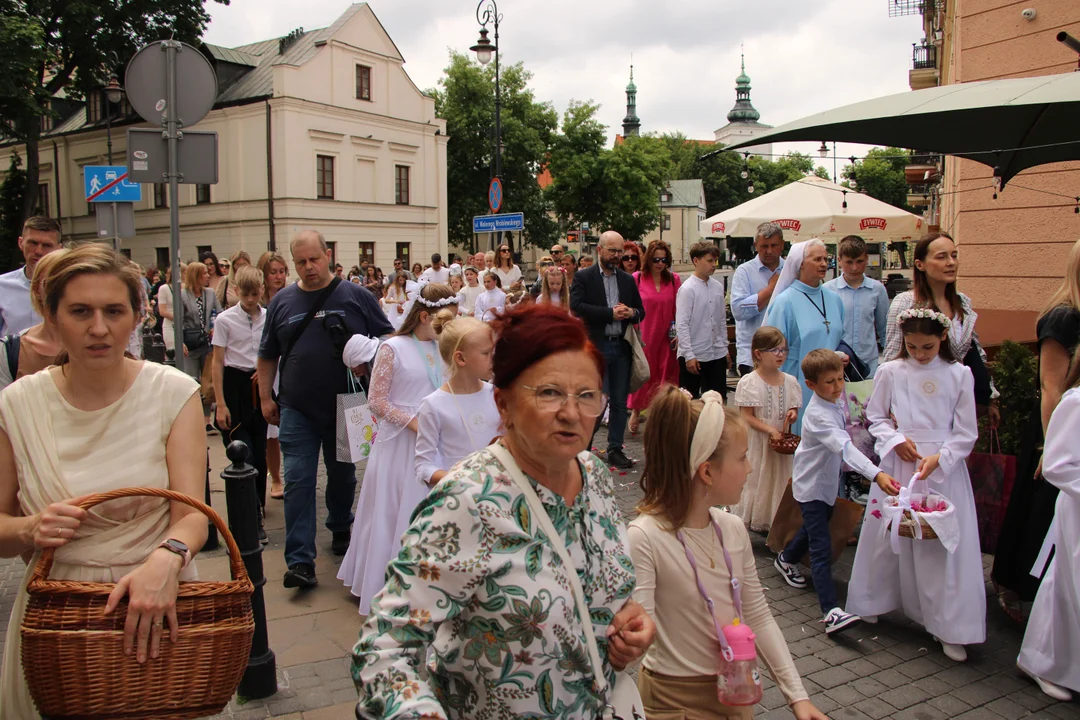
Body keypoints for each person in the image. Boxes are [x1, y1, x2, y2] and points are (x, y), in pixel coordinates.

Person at [352, 303, 656, 719]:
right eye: (549, 392)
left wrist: (627, 620)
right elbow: (384, 648)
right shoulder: (468, 500)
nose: (571, 413)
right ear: (504, 403)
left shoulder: (595, 477)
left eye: (587, 396)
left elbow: (596, 588)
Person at [0, 244, 208, 719]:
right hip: (58, 614)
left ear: (137, 317)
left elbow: (192, 515)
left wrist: (169, 557)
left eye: (114, 311)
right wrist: (29, 530)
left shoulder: (171, 392)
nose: (99, 328)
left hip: (157, 603)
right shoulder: (17, 405)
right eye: (80, 311)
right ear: (51, 318)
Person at [631, 386, 827, 720]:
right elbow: (640, 630)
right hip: (672, 700)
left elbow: (758, 615)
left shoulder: (732, 529)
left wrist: (798, 696)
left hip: (736, 690)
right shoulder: (645, 536)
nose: (749, 468)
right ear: (707, 471)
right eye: (742, 457)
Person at [257, 230, 393, 590]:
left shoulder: (357, 296)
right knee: (299, 479)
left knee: (343, 475)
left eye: (314, 259)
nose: (308, 267)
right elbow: (267, 353)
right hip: (296, 407)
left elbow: (390, 343)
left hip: (348, 404)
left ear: (327, 254)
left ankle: (339, 526)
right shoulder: (282, 302)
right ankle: (300, 560)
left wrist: (370, 363)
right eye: (300, 262)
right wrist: (265, 398)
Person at [846, 308, 983, 662]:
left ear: (942, 341)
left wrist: (944, 457)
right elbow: (874, 417)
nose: (920, 354)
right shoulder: (891, 371)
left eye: (928, 347)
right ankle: (874, 597)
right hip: (901, 462)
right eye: (912, 347)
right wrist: (893, 441)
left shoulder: (959, 374)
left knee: (939, 543)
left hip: (941, 466)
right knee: (886, 534)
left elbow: (967, 430)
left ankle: (947, 623)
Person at [339, 283, 458, 614]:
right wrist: (416, 424)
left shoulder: (447, 348)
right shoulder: (393, 348)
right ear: (424, 317)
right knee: (396, 511)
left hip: (439, 444)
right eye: (446, 322)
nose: (451, 330)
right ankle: (385, 581)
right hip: (401, 444)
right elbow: (377, 401)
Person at [773, 349, 896, 635]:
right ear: (811, 385)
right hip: (812, 485)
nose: (838, 386)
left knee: (816, 525)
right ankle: (830, 611)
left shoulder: (834, 401)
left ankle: (786, 558)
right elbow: (844, 447)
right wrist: (875, 474)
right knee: (820, 544)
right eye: (830, 381)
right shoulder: (818, 415)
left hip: (825, 483)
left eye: (840, 379)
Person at [993, 238, 1080, 621]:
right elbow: (1051, 387)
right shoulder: (1063, 317)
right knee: (1039, 510)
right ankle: (1018, 587)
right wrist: (1052, 445)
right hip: (1058, 431)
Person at [883, 232, 998, 425]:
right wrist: (890, 408)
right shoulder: (906, 302)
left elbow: (976, 351)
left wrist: (990, 395)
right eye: (941, 257)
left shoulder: (962, 302)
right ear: (920, 264)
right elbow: (893, 357)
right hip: (919, 401)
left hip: (959, 401)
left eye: (954, 255)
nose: (951, 262)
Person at [1017, 355, 1080, 702]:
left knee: (1063, 584)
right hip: (1077, 507)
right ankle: (1044, 661)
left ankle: (1049, 659)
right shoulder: (1075, 402)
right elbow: (1057, 464)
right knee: (1069, 585)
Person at [570, 230, 645, 471]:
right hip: (597, 346)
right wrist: (609, 313)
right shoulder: (584, 277)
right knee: (595, 399)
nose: (617, 255)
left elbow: (640, 310)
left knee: (620, 402)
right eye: (612, 251)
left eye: (620, 251)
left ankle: (615, 448)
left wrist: (630, 313)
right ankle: (584, 449)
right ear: (599, 250)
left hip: (621, 345)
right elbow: (577, 307)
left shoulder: (627, 279)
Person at [211, 266, 269, 544]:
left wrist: (267, 372)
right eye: (244, 294)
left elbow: (274, 352)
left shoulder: (268, 317)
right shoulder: (224, 320)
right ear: (235, 290)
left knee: (259, 455)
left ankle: (258, 505)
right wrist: (220, 403)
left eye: (254, 293)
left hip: (259, 386)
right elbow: (217, 362)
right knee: (240, 452)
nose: (249, 299)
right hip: (234, 386)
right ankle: (250, 512)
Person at [763, 238, 845, 435]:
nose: (824, 264)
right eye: (817, 259)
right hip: (798, 387)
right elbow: (772, 354)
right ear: (800, 263)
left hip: (832, 386)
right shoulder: (785, 302)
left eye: (826, 259)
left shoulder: (834, 299)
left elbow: (839, 337)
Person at [414, 312, 499, 487]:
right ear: (460, 358)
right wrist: (459, 479)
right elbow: (423, 465)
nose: (495, 358)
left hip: (499, 493)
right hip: (460, 497)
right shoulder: (434, 404)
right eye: (486, 353)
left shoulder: (496, 394)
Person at [732, 327, 802, 532]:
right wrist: (769, 430)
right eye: (775, 350)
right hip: (758, 443)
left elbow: (793, 409)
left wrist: (792, 414)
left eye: (783, 350)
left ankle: (776, 522)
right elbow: (747, 416)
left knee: (780, 481)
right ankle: (751, 519)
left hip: (780, 445)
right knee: (757, 480)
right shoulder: (749, 382)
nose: (781, 355)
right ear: (758, 354)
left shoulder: (790, 381)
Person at [628, 239, 681, 436]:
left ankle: (660, 416)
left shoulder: (674, 279)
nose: (660, 263)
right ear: (648, 259)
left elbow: (678, 309)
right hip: (645, 335)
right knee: (644, 374)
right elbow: (632, 306)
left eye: (664, 259)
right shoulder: (637, 278)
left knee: (665, 375)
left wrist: (679, 333)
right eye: (656, 259)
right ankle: (635, 412)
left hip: (668, 336)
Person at [0, 249, 67, 391]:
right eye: (51, 281)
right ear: (37, 289)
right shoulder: (11, 350)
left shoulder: (98, 343)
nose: (59, 289)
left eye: (67, 281)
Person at [824, 235, 890, 377]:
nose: (855, 267)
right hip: (837, 361)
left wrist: (889, 360)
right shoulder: (827, 290)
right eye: (849, 262)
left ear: (866, 259)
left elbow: (884, 329)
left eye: (859, 261)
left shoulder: (877, 290)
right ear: (840, 261)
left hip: (869, 363)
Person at [676, 241, 730, 401]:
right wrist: (689, 355)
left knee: (717, 400)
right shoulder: (687, 289)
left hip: (716, 352)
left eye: (715, 261)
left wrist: (725, 348)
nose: (713, 265)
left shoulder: (717, 287)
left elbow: (720, 320)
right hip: (695, 353)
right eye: (709, 260)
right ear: (696, 261)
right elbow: (682, 324)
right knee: (690, 401)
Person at [730, 223, 785, 377]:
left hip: (783, 355)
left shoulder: (790, 270)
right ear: (756, 245)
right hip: (753, 357)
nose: (769, 251)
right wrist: (770, 289)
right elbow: (738, 310)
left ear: (782, 244)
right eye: (764, 246)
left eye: (774, 245)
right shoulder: (744, 272)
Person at [257, 251, 289, 500]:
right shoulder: (257, 302)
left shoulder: (291, 297)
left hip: (286, 368)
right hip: (264, 368)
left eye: (281, 271)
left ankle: (284, 473)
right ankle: (275, 476)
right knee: (269, 432)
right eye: (273, 272)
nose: (278, 277)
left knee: (283, 428)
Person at [0, 216, 62, 336]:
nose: (39, 251)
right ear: (21, 243)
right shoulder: (2, 286)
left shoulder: (68, 287)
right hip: (13, 354)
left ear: (58, 249)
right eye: (33, 243)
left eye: (47, 245)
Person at [180, 261, 223, 431]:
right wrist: (180, 342)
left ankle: (206, 421)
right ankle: (192, 417)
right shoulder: (183, 295)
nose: (207, 276)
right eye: (204, 273)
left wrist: (214, 327)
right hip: (190, 344)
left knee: (207, 382)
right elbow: (179, 320)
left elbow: (219, 313)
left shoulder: (210, 294)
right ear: (195, 276)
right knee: (191, 381)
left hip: (207, 343)